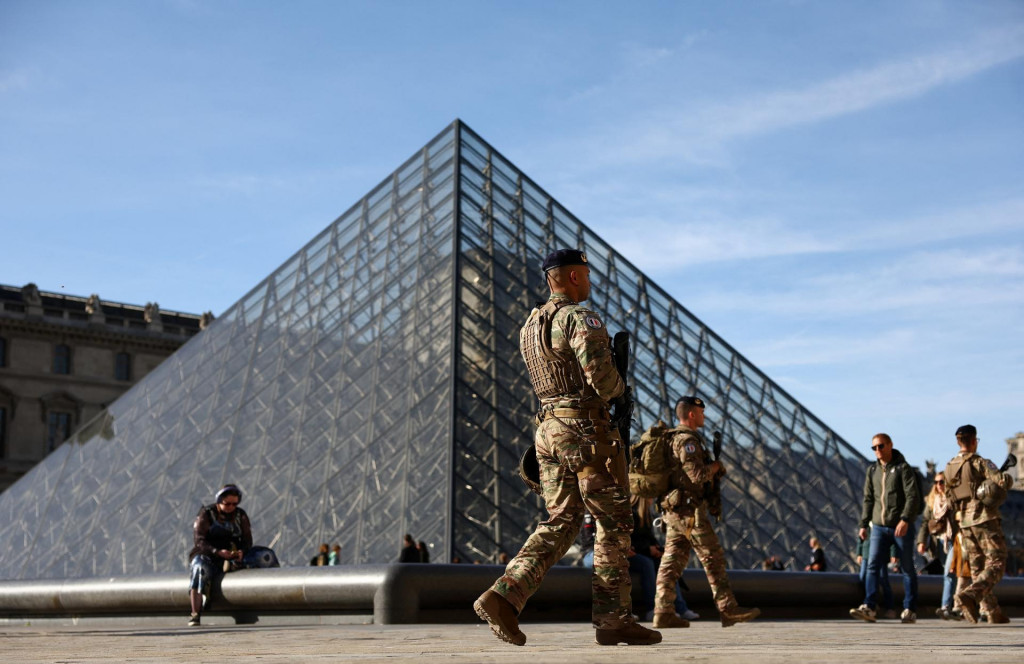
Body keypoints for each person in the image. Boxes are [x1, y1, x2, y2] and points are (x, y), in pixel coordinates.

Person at [473, 248, 661, 647]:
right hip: (586, 433)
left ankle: (504, 596)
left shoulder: (529, 324)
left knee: (561, 521)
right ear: (574, 277)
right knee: (613, 524)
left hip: (548, 430)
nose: (590, 282)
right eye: (587, 275)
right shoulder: (580, 317)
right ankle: (614, 620)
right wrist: (621, 391)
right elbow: (600, 376)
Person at [652, 396, 760, 629]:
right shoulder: (687, 440)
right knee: (713, 558)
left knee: (671, 562)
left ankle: (663, 611)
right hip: (690, 512)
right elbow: (697, 475)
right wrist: (716, 467)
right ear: (692, 414)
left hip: (674, 510)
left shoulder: (672, 438)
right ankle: (727, 608)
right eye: (701, 412)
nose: (704, 416)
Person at [944, 424, 1014, 624]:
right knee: (997, 563)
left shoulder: (949, 467)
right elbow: (1002, 480)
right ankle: (971, 595)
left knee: (977, 566)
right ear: (974, 441)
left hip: (964, 522)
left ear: (958, 441)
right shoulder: (979, 462)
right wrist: (1006, 478)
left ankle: (992, 612)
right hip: (984, 518)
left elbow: (949, 500)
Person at [850, 433, 921, 624]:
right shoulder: (872, 470)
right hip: (879, 527)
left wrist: (905, 520)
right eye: (874, 448)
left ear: (890, 445)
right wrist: (864, 524)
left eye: (881, 446)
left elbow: (912, 496)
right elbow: (868, 499)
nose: (877, 451)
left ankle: (909, 608)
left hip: (900, 526)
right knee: (872, 566)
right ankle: (870, 606)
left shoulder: (903, 468)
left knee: (907, 568)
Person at [187, 484, 252, 627]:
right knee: (199, 568)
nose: (231, 507)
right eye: (227, 503)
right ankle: (195, 613)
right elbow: (199, 541)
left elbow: (247, 540)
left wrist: (242, 551)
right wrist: (217, 552)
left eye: (235, 503)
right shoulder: (207, 513)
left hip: (233, 554)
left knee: (264, 556)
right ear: (219, 500)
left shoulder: (240, 515)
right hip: (209, 554)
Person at [917, 472, 959, 619]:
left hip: (954, 541)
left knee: (949, 572)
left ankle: (945, 606)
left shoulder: (954, 500)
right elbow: (924, 523)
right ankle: (957, 606)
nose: (938, 485)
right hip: (938, 543)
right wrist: (921, 541)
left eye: (941, 482)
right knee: (952, 574)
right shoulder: (931, 501)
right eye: (936, 482)